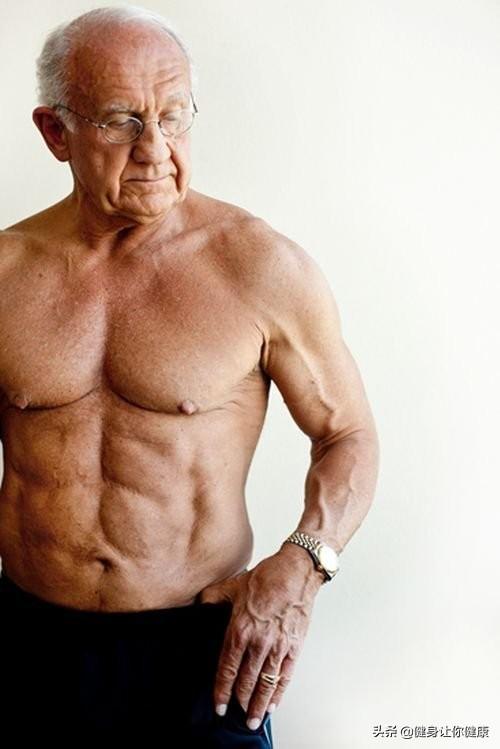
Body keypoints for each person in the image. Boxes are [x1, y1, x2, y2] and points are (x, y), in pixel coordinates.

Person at [0, 6, 379, 746]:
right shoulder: (8, 274)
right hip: (25, 645)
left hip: (201, 653)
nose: (155, 149)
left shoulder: (259, 267)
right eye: (121, 121)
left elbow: (349, 434)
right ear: (55, 132)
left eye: (173, 116)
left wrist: (304, 564)